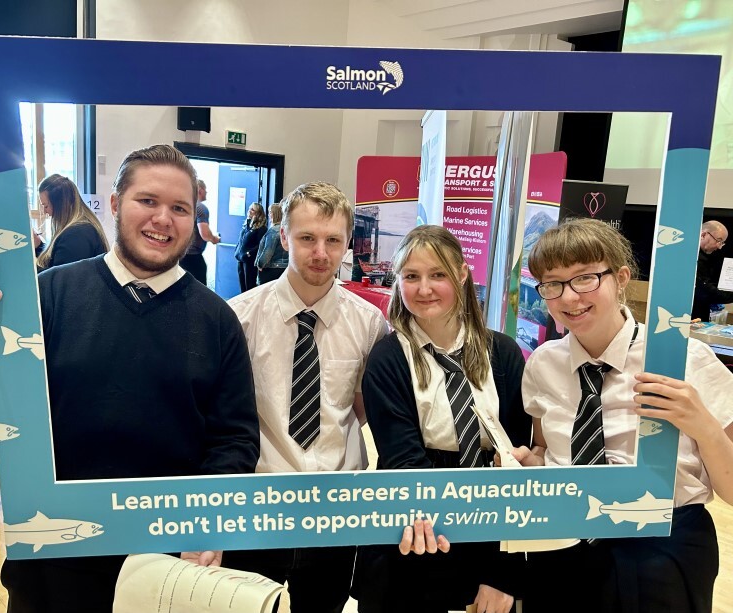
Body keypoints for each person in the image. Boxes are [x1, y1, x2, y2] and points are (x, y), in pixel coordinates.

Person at [0, 144, 260, 612]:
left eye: (180, 208)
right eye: (147, 201)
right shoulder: (45, 296)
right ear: (113, 204)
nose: (163, 219)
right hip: (52, 564)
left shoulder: (217, 320)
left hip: (165, 568)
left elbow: (235, 438)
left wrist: (204, 521)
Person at [515, 218, 733, 613]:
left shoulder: (683, 359)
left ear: (621, 278)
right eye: (553, 284)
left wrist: (702, 423)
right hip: (562, 543)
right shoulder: (543, 364)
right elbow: (545, 448)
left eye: (585, 278)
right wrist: (527, 462)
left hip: (663, 547)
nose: (569, 298)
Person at [225, 181, 387, 613]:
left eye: (333, 240)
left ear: (348, 242)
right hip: (260, 505)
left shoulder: (370, 325)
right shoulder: (239, 317)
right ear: (283, 237)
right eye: (307, 238)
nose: (321, 253)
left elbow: (362, 409)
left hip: (335, 508)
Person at [353, 225, 528, 613]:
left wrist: (502, 572)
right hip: (412, 527)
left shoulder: (503, 353)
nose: (424, 288)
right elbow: (403, 462)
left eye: (438, 275)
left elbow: (517, 467)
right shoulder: (387, 358)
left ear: (463, 275)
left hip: (489, 522)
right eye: (411, 277)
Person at [35, 174, 109, 270]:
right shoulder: (80, 230)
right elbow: (59, 259)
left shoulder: (77, 235)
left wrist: (29, 267)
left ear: (60, 204)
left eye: (46, 206)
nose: (45, 212)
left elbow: (58, 280)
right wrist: (39, 245)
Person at [179, 179, 220, 285]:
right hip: (193, 258)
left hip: (180, 256)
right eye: (205, 189)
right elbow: (205, 234)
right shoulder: (201, 208)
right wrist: (214, 239)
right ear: (200, 190)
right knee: (198, 291)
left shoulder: (183, 205)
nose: (207, 192)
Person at [692, 219, 733, 321]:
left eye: (722, 243)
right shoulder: (691, 259)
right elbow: (705, 291)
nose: (719, 247)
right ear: (703, 235)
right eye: (718, 241)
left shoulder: (703, 258)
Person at [234, 202, 267, 292]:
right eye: (249, 209)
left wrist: (248, 254)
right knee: (242, 287)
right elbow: (240, 241)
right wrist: (236, 250)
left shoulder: (261, 228)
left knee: (249, 287)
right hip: (240, 259)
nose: (249, 211)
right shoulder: (247, 226)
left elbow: (260, 245)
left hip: (249, 261)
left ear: (258, 213)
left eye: (252, 209)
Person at [255, 203, 289, 285]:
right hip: (285, 268)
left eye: (270, 212)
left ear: (275, 214)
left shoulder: (273, 231)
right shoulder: (287, 229)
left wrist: (260, 264)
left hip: (271, 269)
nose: (269, 215)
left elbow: (268, 252)